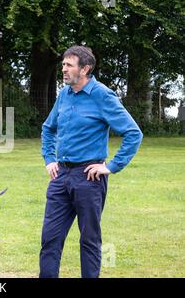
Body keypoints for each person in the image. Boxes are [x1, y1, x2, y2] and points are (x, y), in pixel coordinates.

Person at [39, 46, 143, 278]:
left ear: (85, 69)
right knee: (50, 239)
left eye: (69, 65)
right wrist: (49, 159)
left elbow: (133, 133)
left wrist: (110, 166)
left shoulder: (103, 95)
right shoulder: (64, 95)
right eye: (63, 64)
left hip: (89, 178)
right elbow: (48, 128)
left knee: (89, 240)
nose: (63, 69)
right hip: (60, 177)